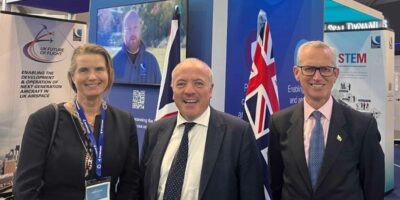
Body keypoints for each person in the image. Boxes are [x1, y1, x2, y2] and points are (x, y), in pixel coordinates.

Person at [14, 44, 139, 199]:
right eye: (83, 70)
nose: (92, 77)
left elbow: (131, 183)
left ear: (109, 74)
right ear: (72, 76)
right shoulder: (44, 121)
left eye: (99, 69)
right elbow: (25, 189)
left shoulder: (124, 122)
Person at [267, 41, 384, 200]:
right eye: (309, 69)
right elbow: (276, 183)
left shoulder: (362, 126)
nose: (317, 77)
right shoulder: (279, 123)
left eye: (325, 69)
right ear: (296, 73)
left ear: (335, 74)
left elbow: (373, 188)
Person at [139, 58, 264, 200]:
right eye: (181, 84)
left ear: (211, 90)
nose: (189, 91)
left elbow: (252, 194)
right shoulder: (155, 132)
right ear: (172, 91)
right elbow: (141, 189)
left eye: (198, 83)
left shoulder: (238, 134)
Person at [113, 10, 161, 84]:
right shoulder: (114, 62)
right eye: (128, 28)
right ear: (123, 32)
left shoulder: (152, 61)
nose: (132, 32)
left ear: (140, 29)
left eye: (135, 27)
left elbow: (160, 92)